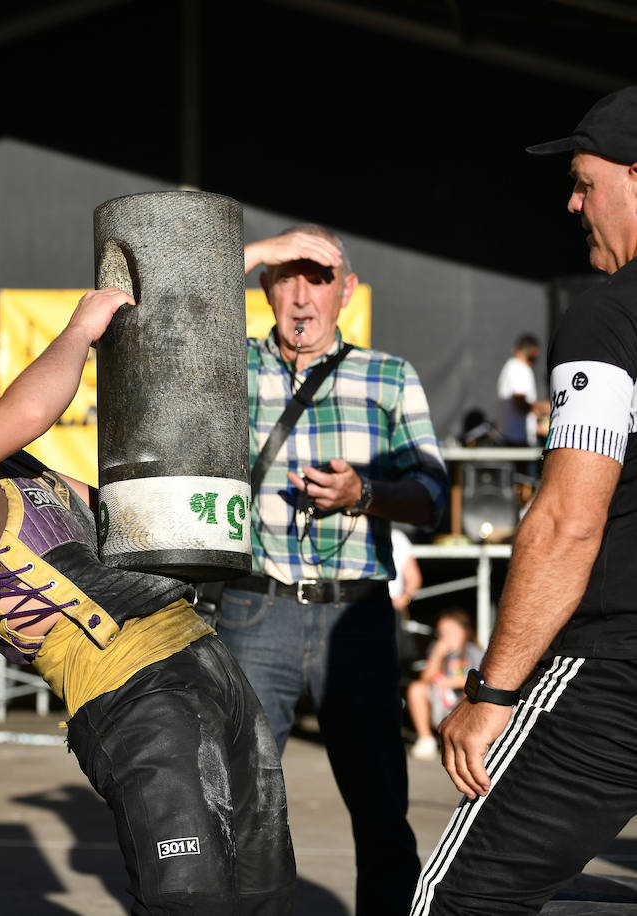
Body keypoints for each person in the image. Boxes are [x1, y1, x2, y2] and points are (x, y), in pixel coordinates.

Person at [0, 297, 295, 913]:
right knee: (188, 903)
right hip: (133, 692)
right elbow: (32, 407)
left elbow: (135, 514)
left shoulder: (10, 465)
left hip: (204, 659)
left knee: (264, 896)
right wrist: (82, 329)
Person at [414, 85, 637, 914]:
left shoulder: (610, 316)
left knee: (463, 900)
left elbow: (566, 520)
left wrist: (492, 693)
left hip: (616, 672)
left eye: (585, 182)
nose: (573, 203)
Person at [214, 226, 448, 914]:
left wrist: (364, 494)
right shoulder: (235, 365)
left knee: (381, 814)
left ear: (347, 292)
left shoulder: (389, 374)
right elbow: (163, 309)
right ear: (265, 288)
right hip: (256, 608)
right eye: (286, 276)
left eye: (320, 278)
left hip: (358, 614)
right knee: (237, 810)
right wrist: (261, 247)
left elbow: (433, 496)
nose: (301, 296)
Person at [406, 609, 482, 762]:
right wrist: (437, 654)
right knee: (416, 688)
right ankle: (426, 739)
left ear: (464, 631)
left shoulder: (473, 651)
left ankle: (463, 740)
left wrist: (454, 682)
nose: (446, 637)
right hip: (439, 701)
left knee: (471, 692)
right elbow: (425, 679)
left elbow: (481, 679)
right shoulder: (437, 649)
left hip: (462, 704)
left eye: (451, 632)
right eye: (442, 633)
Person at [496, 333, 546, 447]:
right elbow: (519, 403)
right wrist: (543, 408)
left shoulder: (512, 366)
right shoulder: (520, 368)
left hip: (511, 437)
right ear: (535, 351)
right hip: (517, 440)